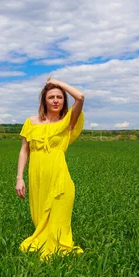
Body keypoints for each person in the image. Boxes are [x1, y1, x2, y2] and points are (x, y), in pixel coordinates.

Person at [15, 78, 85, 260]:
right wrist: (19, 178)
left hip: (60, 176)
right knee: (40, 219)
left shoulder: (68, 122)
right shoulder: (30, 122)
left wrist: (57, 82)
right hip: (38, 177)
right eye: (51, 97)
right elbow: (24, 150)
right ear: (44, 101)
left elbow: (80, 97)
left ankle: (59, 248)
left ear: (64, 101)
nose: (55, 100)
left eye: (59, 97)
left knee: (60, 214)